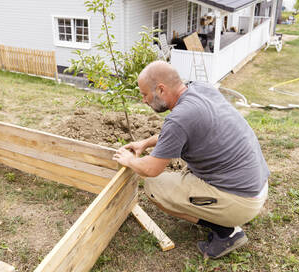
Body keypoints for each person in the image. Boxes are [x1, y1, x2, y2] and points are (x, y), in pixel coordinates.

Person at [113, 61, 269, 259]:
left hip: (242, 199)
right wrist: (145, 143)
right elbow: (181, 131)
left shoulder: (179, 119)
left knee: (153, 187)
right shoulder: (200, 89)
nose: (143, 100)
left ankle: (226, 232)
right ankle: (224, 213)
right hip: (256, 185)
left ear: (161, 89)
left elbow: (151, 169)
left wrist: (129, 160)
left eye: (145, 94)